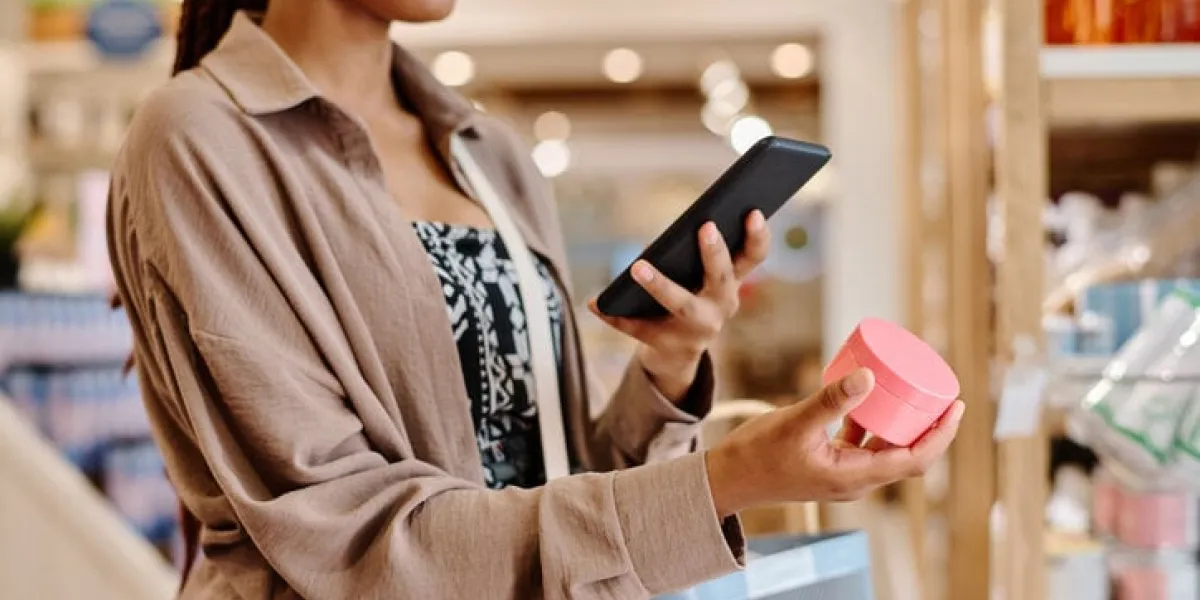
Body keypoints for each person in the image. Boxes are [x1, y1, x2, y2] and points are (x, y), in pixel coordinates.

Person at [106, 0, 965, 598]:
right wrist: (730, 477)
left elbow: (555, 481)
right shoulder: (201, 139)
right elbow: (354, 542)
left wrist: (667, 370)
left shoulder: (491, 153)